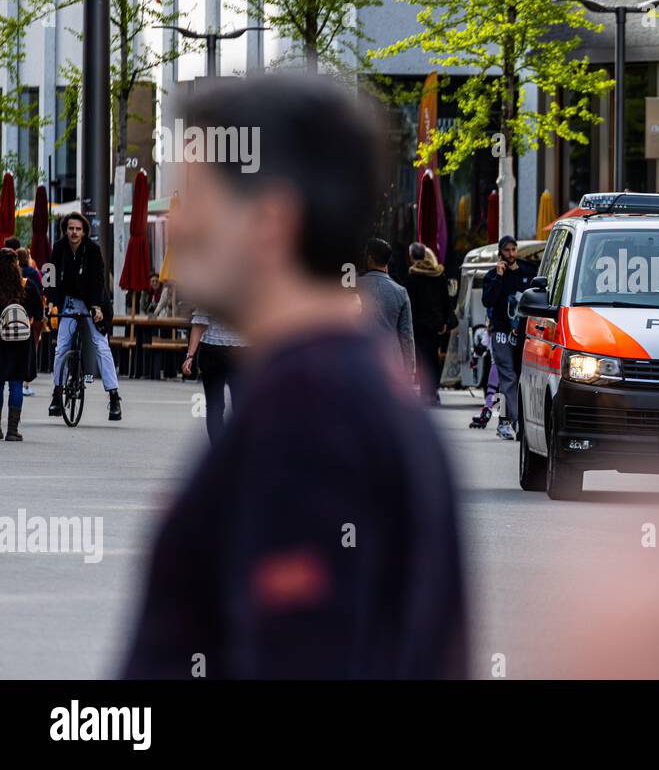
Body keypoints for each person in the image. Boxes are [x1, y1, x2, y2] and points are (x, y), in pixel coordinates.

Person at [122, 73, 465, 678]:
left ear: (269, 222)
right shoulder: (338, 396)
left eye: (195, 198)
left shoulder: (310, 425)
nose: (177, 226)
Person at [47, 211, 122, 421]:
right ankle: (57, 393)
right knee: (61, 346)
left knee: (101, 344)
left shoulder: (93, 250)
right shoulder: (59, 248)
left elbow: (99, 280)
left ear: (84, 231)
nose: (74, 232)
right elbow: (49, 275)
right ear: (65, 230)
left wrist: (97, 306)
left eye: (78, 229)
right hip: (69, 301)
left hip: (93, 302)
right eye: (71, 228)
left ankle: (114, 397)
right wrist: (51, 302)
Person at [482, 234, 537, 440]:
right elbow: (487, 301)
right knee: (507, 377)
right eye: (507, 250)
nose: (511, 254)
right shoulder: (493, 275)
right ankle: (514, 422)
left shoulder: (528, 272)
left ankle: (508, 421)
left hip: (523, 333)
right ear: (500, 253)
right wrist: (498, 277)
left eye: (513, 249)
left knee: (518, 376)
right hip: (501, 332)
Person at [182, 309, 247, 444]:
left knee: (214, 406)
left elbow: (199, 322)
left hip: (212, 349)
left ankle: (220, 451)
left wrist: (190, 356)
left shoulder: (212, 288)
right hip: (241, 351)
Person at [357, 237, 416, 383]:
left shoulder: (354, 286)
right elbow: (406, 335)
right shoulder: (400, 291)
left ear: (369, 259)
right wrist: (410, 369)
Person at [0, 248, 43, 441]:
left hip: (0, 341)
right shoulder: (28, 285)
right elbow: (39, 315)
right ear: (17, 264)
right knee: (16, 384)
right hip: (21, 342)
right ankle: (12, 430)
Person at [406, 242, 452, 406]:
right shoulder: (438, 274)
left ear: (412, 257)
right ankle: (433, 391)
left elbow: (410, 302)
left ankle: (425, 392)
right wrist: (446, 320)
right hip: (435, 324)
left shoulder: (412, 277)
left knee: (421, 358)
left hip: (418, 325)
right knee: (433, 357)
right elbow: (445, 299)